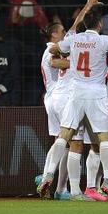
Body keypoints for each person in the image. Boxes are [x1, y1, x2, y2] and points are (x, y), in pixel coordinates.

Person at [38, 0, 108, 200]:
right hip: (96, 94)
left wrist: (63, 53)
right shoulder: (104, 41)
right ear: (100, 24)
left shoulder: (75, 40)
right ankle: (107, 181)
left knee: (64, 136)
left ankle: (48, 175)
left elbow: (54, 49)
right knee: (103, 139)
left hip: (76, 93)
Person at [39, 21, 70, 200]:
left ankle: (45, 177)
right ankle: (61, 188)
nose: (65, 33)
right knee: (68, 143)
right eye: (62, 31)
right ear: (54, 35)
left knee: (59, 141)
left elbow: (73, 28)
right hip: (59, 98)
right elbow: (60, 63)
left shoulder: (49, 50)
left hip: (51, 98)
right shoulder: (52, 52)